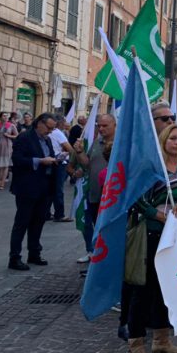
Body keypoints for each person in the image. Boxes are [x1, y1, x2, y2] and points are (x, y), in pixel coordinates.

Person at [126, 123, 177, 353]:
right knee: (143, 291)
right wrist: (159, 217)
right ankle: (136, 344)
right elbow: (136, 200)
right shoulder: (152, 169)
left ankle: (162, 339)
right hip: (152, 234)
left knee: (166, 290)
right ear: (164, 141)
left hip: (176, 237)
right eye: (173, 138)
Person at [7, 113, 59, 270]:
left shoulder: (47, 139)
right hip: (27, 187)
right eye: (49, 128)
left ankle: (34, 252)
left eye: (52, 129)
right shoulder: (25, 137)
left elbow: (47, 156)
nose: (50, 131)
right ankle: (14, 257)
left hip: (44, 187)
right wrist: (39, 161)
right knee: (22, 222)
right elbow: (17, 160)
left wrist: (56, 159)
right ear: (40, 123)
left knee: (38, 221)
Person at [74, 113, 116, 263]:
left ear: (114, 126)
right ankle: (96, 254)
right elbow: (87, 164)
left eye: (105, 126)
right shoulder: (97, 143)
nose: (101, 128)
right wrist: (79, 152)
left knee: (108, 232)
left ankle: (106, 259)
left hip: (111, 198)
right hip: (94, 194)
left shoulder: (120, 144)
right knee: (95, 227)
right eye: (99, 125)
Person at [49, 115, 73, 221]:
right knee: (58, 189)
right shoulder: (58, 133)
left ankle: (46, 212)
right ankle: (59, 214)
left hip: (49, 161)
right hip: (59, 162)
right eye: (64, 122)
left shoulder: (48, 132)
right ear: (59, 123)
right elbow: (69, 148)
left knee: (49, 189)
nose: (65, 124)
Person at [0, 112, 17, 191]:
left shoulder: (11, 125)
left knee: (5, 165)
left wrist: (9, 135)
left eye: (6, 116)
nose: (5, 117)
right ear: (0, 117)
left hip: (7, 145)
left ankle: (2, 182)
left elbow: (17, 135)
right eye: (4, 116)